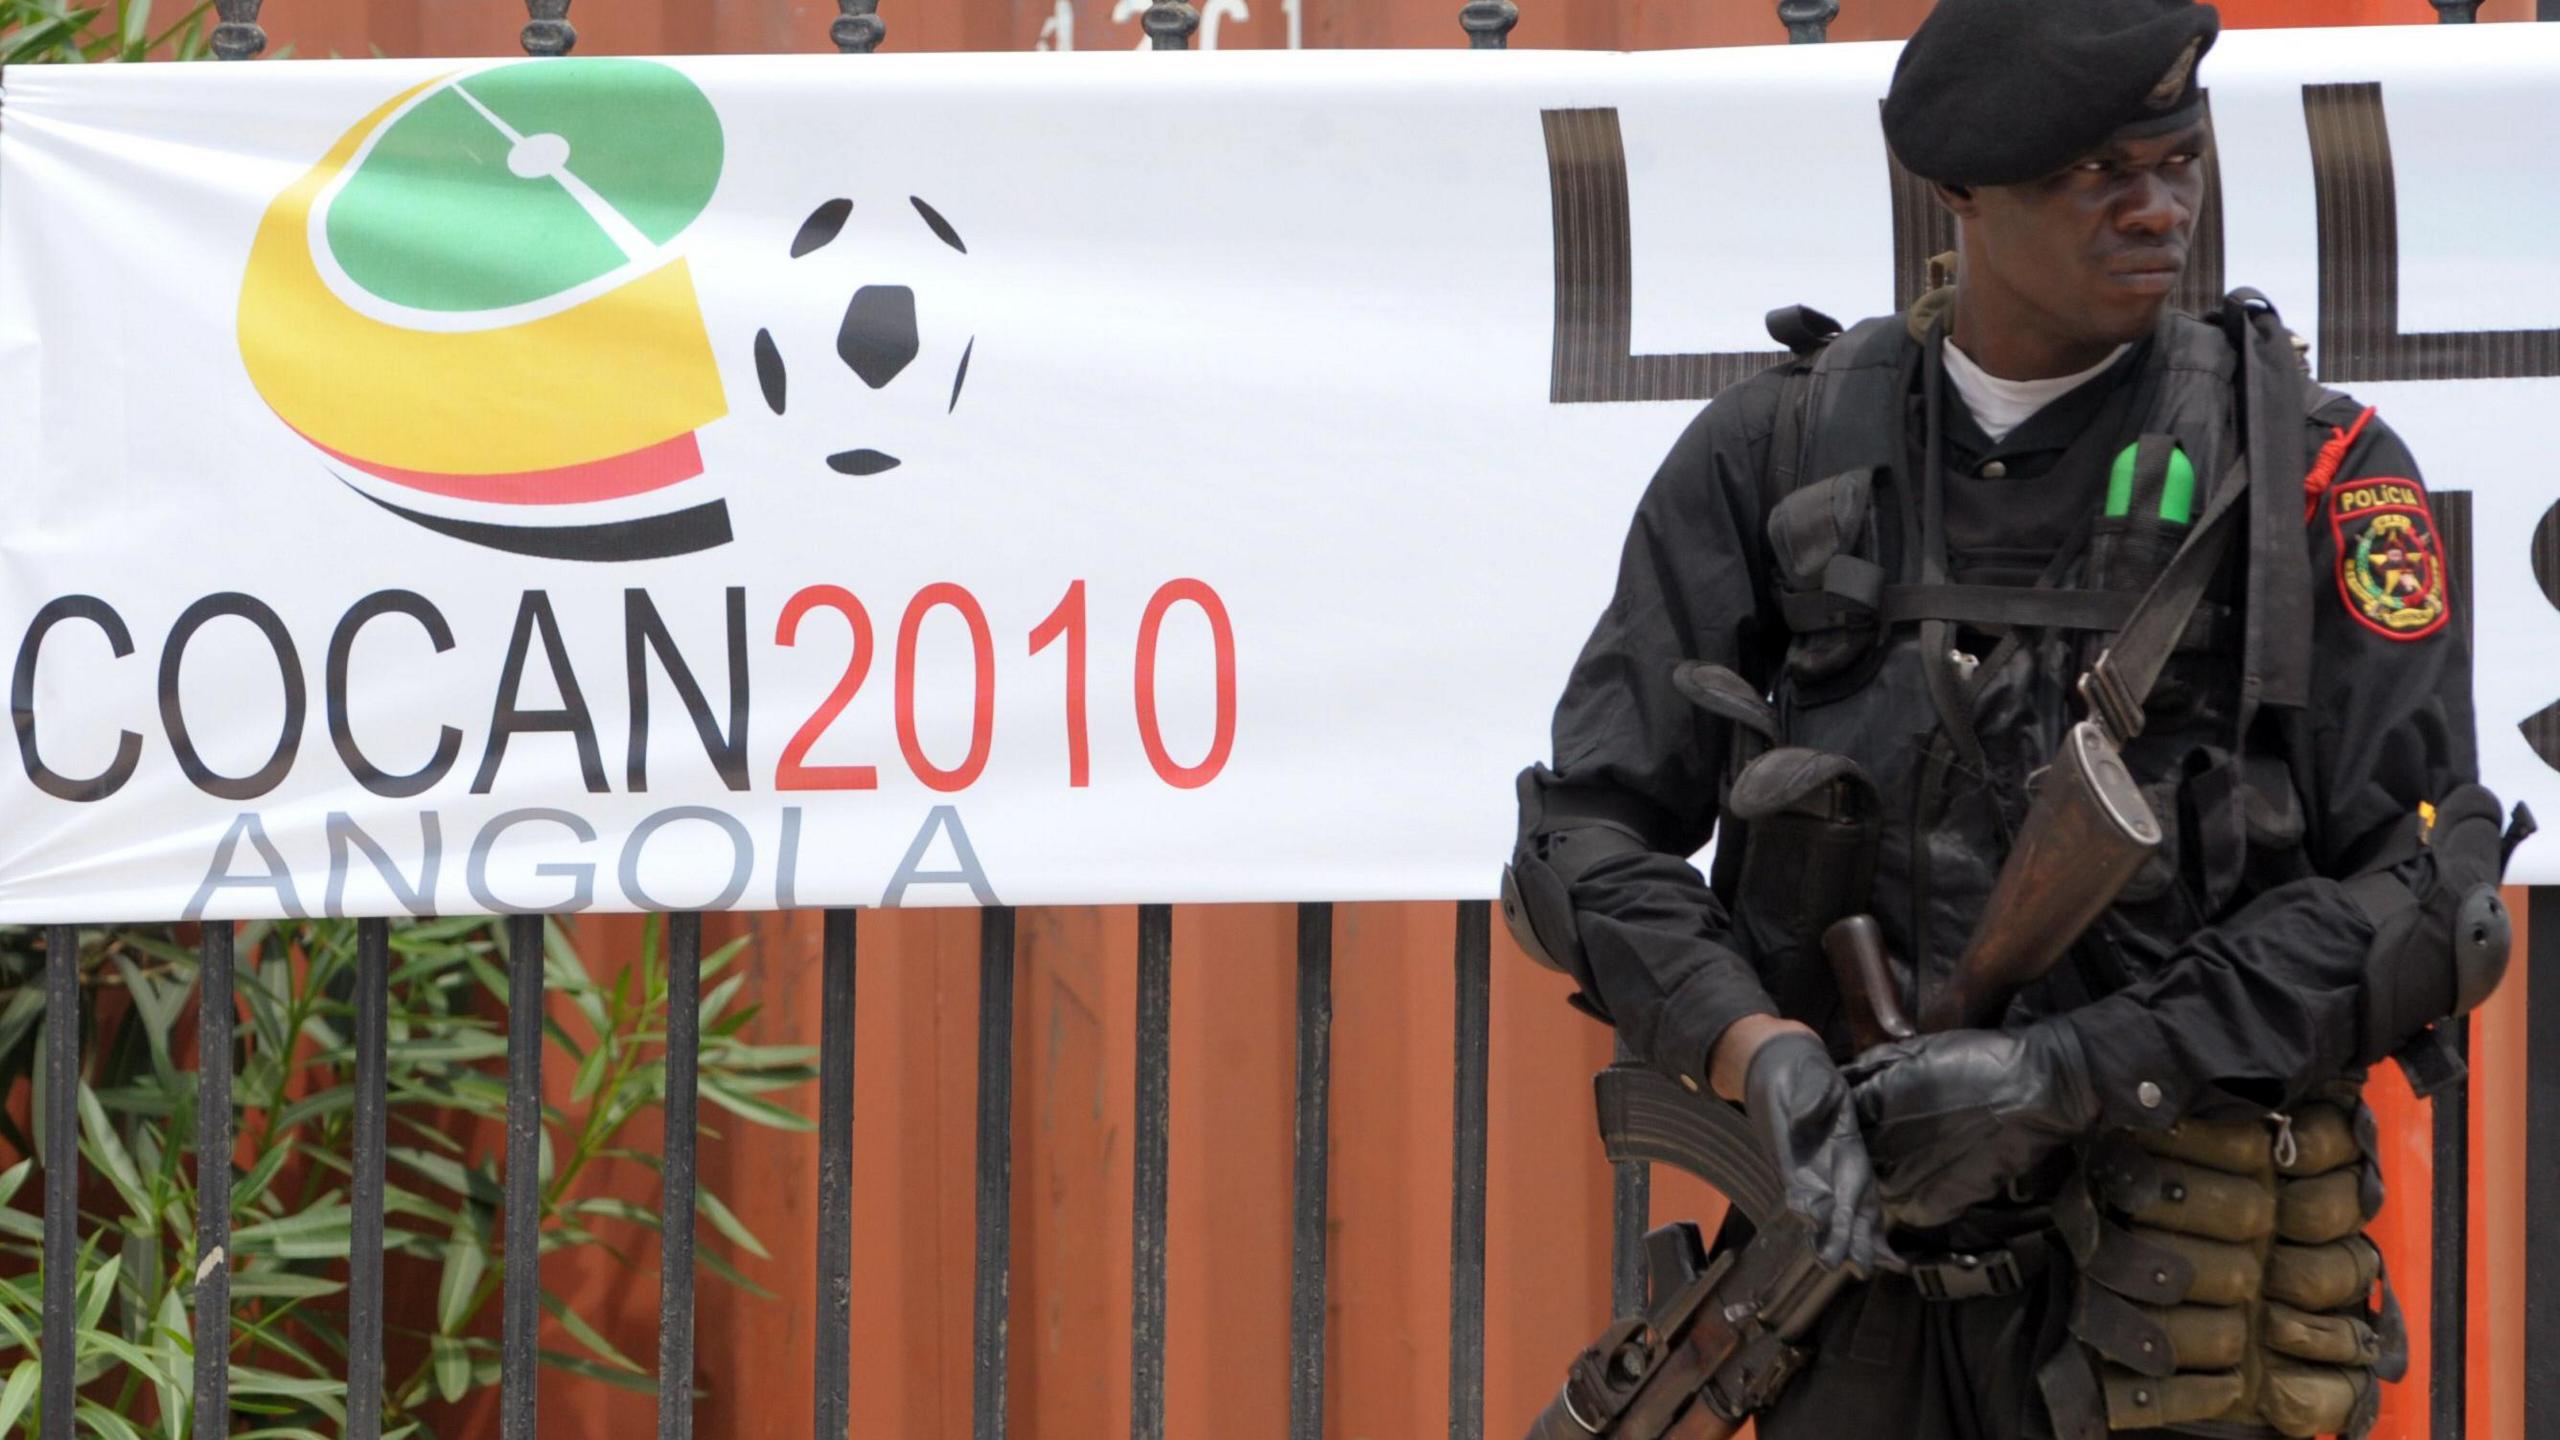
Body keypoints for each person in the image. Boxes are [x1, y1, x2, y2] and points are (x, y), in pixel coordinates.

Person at [1500, 0, 2525, 1436]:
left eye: (2179, 160)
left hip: (2181, 1314)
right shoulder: (1775, 453)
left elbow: (2431, 898)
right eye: (2097, 173)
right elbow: (1582, 839)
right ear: (1962, 192)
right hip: (1850, 1302)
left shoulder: (2310, 474)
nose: (2157, 206)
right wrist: (1758, 1051)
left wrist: (2061, 1073)